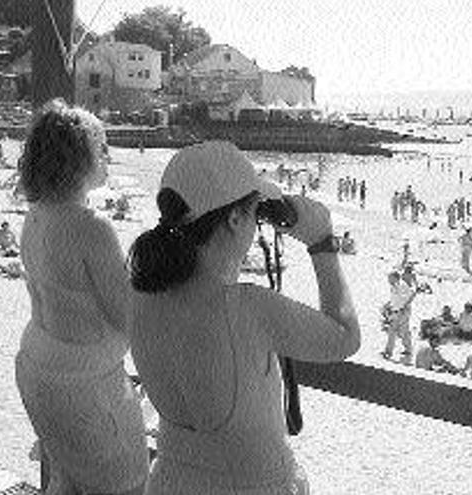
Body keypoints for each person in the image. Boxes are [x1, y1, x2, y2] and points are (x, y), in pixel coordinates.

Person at [128, 141, 360, 494]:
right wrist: (322, 242)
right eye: (254, 213)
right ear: (235, 218)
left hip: (171, 482)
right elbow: (346, 337)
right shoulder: (248, 307)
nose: (257, 225)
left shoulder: (141, 291)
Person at [13, 99, 149, 495]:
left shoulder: (35, 216)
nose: (107, 156)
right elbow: (127, 319)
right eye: (100, 146)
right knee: (127, 485)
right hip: (82, 384)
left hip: (37, 367)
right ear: (77, 158)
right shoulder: (92, 227)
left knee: (68, 482)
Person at [382, 271, 416, 360]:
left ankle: (408, 350)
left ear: (395, 278)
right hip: (395, 311)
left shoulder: (402, 285)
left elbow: (411, 295)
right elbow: (396, 299)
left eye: (390, 278)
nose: (388, 280)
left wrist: (404, 308)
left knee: (403, 331)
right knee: (392, 331)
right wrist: (389, 305)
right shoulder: (393, 286)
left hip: (403, 312)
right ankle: (388, 352)